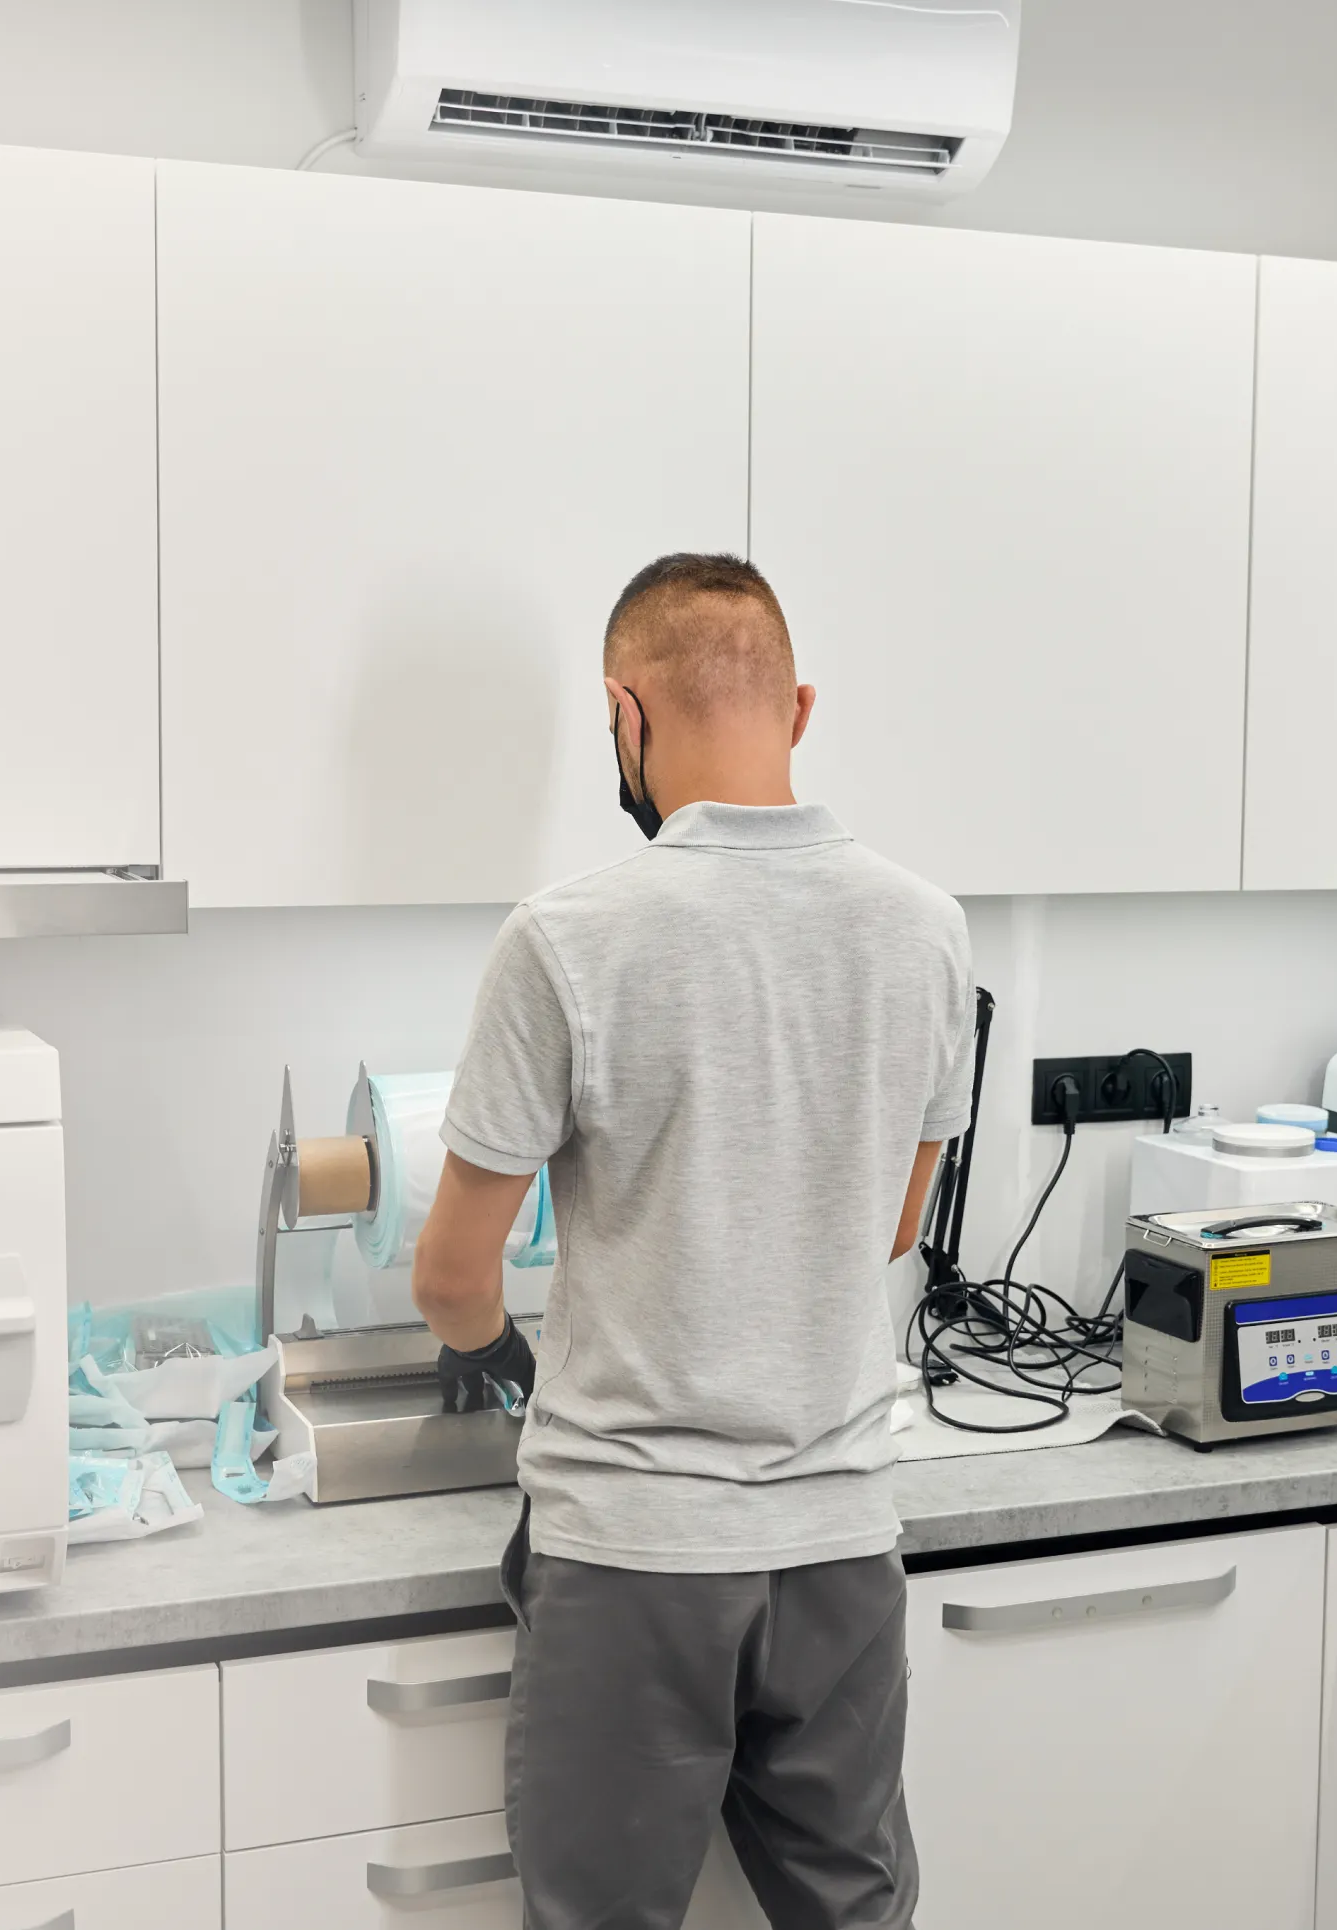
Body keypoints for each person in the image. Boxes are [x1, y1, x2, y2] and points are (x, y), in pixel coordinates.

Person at [407, 553, 972, 1930]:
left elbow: (448, 1280)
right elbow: (896, 1224)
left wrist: (509, 1359)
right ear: (801, 707)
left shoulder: (569, 940)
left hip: (633, 1554)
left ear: (625, 712)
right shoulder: (927, 931)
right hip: (841, 1543)